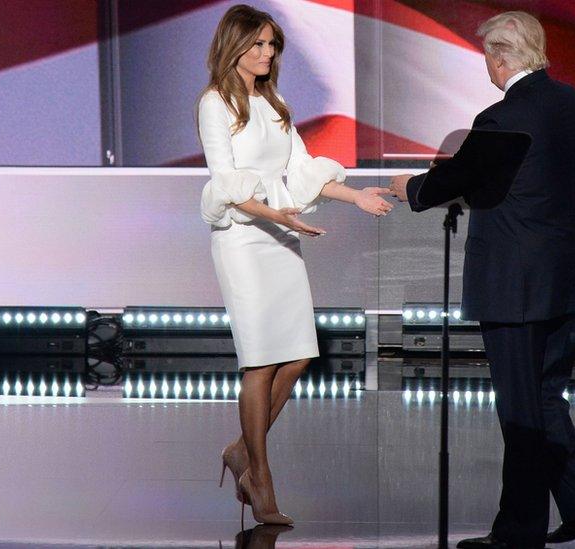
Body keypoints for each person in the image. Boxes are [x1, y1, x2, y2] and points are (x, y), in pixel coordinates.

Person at [389, 11, 575, 549]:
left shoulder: (503, 117)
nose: (486, 62)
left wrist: (410, 188)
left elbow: (458, 178)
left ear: (502, 58)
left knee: (520, 409)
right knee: (547, 398)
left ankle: (518, 530)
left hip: (517, 285)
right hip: (566, 277)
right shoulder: (569, 102)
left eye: (487, 53)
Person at [198, 4, 392, 526]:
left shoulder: (274, 100)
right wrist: (281, 216)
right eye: (258, 44)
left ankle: (242, 449)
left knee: (301, 354)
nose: (266, 53)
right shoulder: (216, 103)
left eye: (272, 45)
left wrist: (354, 197)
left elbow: (301, 170)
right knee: (259, 361)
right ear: (233, 45)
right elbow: (228, 182)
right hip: (243, 240)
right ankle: (259, 476)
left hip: (282, 235)